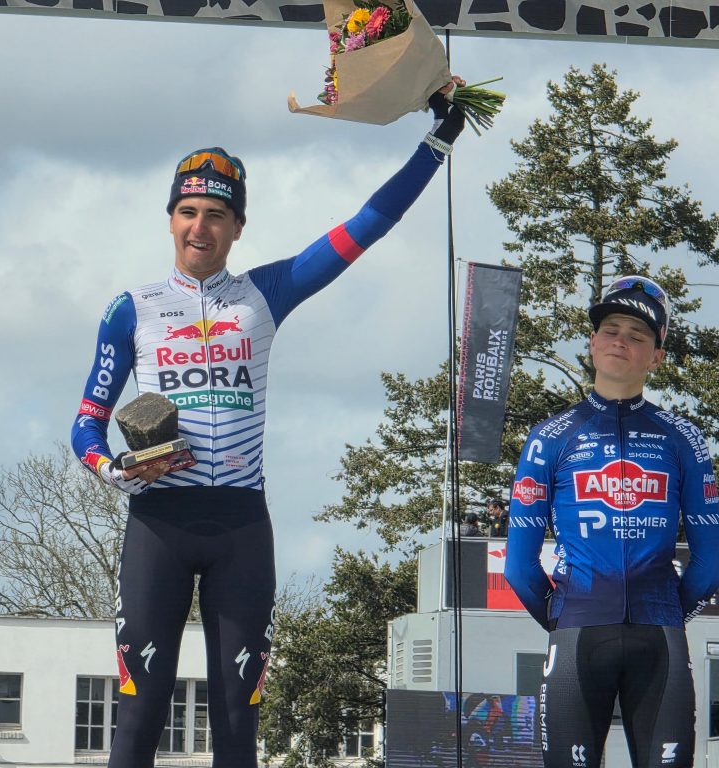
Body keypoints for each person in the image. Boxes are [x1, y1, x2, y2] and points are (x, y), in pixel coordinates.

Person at [70, 83, 467, 768]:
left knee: (237, 719)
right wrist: (114, 469)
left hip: (241, 529)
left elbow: (368, 224)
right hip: (158, 525)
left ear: (238, 227)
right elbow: (86, 423)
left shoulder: (265, 293)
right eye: (188, 212)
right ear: (170, 220)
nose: (200, 227)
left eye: (216, 215)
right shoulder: (131, 308)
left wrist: (437, 143)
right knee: (139, 713)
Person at [504, 276, 719, 768]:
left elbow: (711, 560)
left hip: (652, 637)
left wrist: (667, 613)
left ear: (656, 357)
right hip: (585, 637)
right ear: (592, 343)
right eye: (610, 330)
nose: (620, 341)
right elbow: (518, 566)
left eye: (637, 335)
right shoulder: (548, 438)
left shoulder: (684, 438)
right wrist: (565, 619)